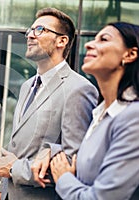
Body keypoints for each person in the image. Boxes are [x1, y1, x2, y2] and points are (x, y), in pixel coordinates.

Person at [0, 7, 99, 200]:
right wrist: (4, 190)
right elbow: (17, 145)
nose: (30, 36)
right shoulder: (27, 86)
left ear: (62, 40)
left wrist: (14, 169)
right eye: (30, 30)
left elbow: (74, 161)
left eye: (40, 30)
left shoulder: (79, 89)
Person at [50, 22, 139, 200]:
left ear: (130, 54)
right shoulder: (101, 114)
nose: (89, 44)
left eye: (104, 39)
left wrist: (64, 179)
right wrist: (52, 153)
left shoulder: (133, 116)